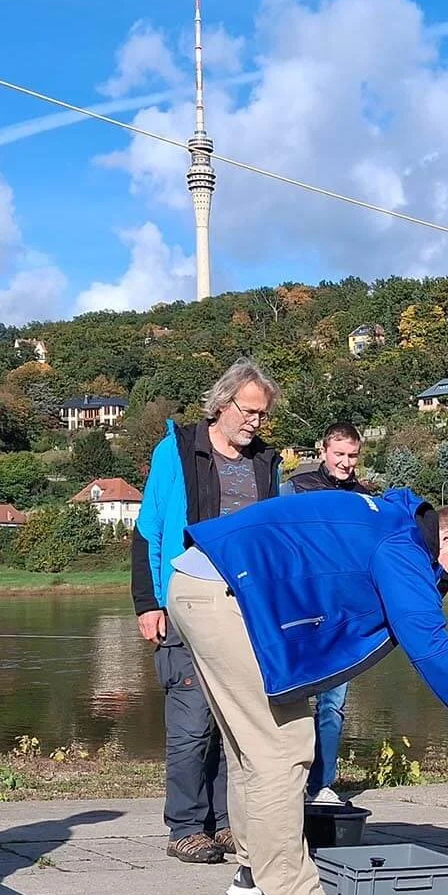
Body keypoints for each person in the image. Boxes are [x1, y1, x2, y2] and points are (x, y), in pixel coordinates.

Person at [166, 489, 448, 895]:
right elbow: (428, 640)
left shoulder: (385, 523)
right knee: (282, 750)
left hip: (202, 582)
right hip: (225, 593)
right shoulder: (401, 543)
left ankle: (254, 872)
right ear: (446, 536)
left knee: (253, 749)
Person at [132, 359, 283, 864]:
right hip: (185, 602)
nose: (255, 423)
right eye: (249, 412)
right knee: (192, 721)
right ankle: (184, 826)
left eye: (262, 416)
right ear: (222, 403)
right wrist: (148, 603)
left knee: (231, 721)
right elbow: (149, 529)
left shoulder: (266, 462)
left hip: (244, 610)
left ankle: (221, 822)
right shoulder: (177, 449)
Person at [279, 423, 373, 805]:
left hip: (343, 613)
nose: (346, 463)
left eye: (352, 456)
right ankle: (286, 782)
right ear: (323, 451)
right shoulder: (295, 490)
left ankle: (322, 785)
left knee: (333, 704)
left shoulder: (365, 499)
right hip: (299, 608)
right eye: (340, 454)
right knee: (290, 698)